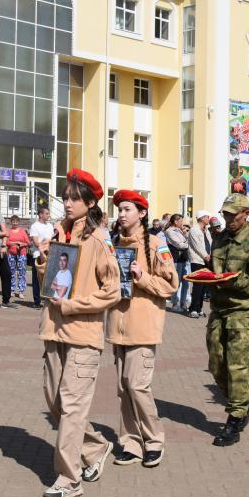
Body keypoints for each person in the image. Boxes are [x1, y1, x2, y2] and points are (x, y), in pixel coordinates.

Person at [34, 169, 120, 497]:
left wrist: (73, 305)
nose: (67, 203)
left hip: (83, 333)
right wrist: (44, 257)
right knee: (54, 401)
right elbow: (50, 282)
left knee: (71, 406)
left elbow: (112, 291)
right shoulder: (61, 235)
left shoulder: (99, 239)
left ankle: (69, 478)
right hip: (53, 330)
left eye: (74, 198)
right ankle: (96, 447)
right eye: (65, 197)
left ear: (90, 202)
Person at [107, 190, 177, 467]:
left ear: (142, 213)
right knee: (124, 388)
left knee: (138, 386)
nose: (122, 214)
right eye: (120, 210)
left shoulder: (155, 245)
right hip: (117, 324)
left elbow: (171, 286)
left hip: (144, 326)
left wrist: (142, 276)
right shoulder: (113, 243)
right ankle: (131, 442)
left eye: (127, 209)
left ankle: (154, 439)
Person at [207, 193, 249, 446]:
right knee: (216, 363)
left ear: (246, 214)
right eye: (226, 213)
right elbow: (214, 271)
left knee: (237, 365)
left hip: (243, 311)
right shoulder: (220, 239)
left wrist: (237, 280)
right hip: (219, 308)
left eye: (234, 214)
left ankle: (235, 417)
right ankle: (243, 400)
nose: (229, 218)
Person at [186, 211, 212, 318]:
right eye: (207, 217)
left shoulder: (206, 230)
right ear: (201, 218)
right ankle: (193, 309)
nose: (208, 219)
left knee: (204, 286)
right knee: (197, 286)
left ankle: (199, 308)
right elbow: (197, 246)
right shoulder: (194, 230)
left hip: (207, 260)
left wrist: (211, 255)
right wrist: (206, 256)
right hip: (197, 260)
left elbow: (210, 243)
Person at [28, 205, 55, 307]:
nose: (49, 215)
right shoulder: (35, 226)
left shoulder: (50, 226)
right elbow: (35, 241)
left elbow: (52, 239)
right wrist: (43, 247)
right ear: (40, 214)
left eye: (48, 213)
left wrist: (49, 243)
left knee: (49, 278)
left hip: (50, 254)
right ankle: (37, 301)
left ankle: (48, 300)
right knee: (37, 279)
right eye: (47, 213)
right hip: (38, 255)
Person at [164, 214, 190, 312]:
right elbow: (179, 244)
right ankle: (174, 304)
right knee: (176, 282)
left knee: (186, 282)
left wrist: (185, 234)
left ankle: (183, 304)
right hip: (176, 259)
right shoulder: (170, 231)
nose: (182, 223)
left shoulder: (180, 230)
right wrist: (189, 244)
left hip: (184, 258)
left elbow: (187, 240)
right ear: (175, 221)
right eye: (180, 221)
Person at [5, 215, 32, 298]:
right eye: (13, 221)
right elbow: (6, 242)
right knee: (11, 272)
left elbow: (28, 243)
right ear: (11, 222)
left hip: (22, 254)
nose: (15, 223)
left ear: (18, 222)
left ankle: (21, 291)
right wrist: (15, 242)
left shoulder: (22, 231)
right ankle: (11, 290)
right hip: (11, 254)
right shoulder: (8, 231)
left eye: (16, 221)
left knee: (21, 272)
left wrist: (22, 244)